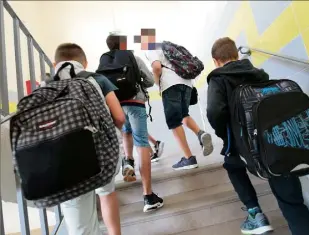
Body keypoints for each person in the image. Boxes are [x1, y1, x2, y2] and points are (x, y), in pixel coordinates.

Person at [206, 37, 309, 235]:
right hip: (272, 143)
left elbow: (214, 112)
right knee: (289, 194)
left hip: (242, 146)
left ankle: (254, 214)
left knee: (232, 164)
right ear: (236, 54)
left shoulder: (218, 78)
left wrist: (226, 136)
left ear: (216, 60)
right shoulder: (259, 73)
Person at [53, 43, 124, 235]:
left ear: (55, 64)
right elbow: (119, 117)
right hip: (100, 152)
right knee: (106, 193)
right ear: (84, 62)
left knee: (78, 214)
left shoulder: (47, 85)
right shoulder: (97, 79)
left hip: (65, 158)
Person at [102, 34, 164, 213]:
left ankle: (127, 162)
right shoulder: (134, 59)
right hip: (135, 103)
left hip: (117, 107)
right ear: (124, 44)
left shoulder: (105, 65)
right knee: (142, 144)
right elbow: (151, 81)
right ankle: (148, 196)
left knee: (126, 133)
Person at [147, 43, 214, 170]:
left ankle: (189, 158)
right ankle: (200, 134)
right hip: (187, 83)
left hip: (170, 84)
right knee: (184, 114)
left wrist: (157, 84)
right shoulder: (168, 47)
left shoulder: (151, 48)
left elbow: (156, 67)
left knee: (174, 122)